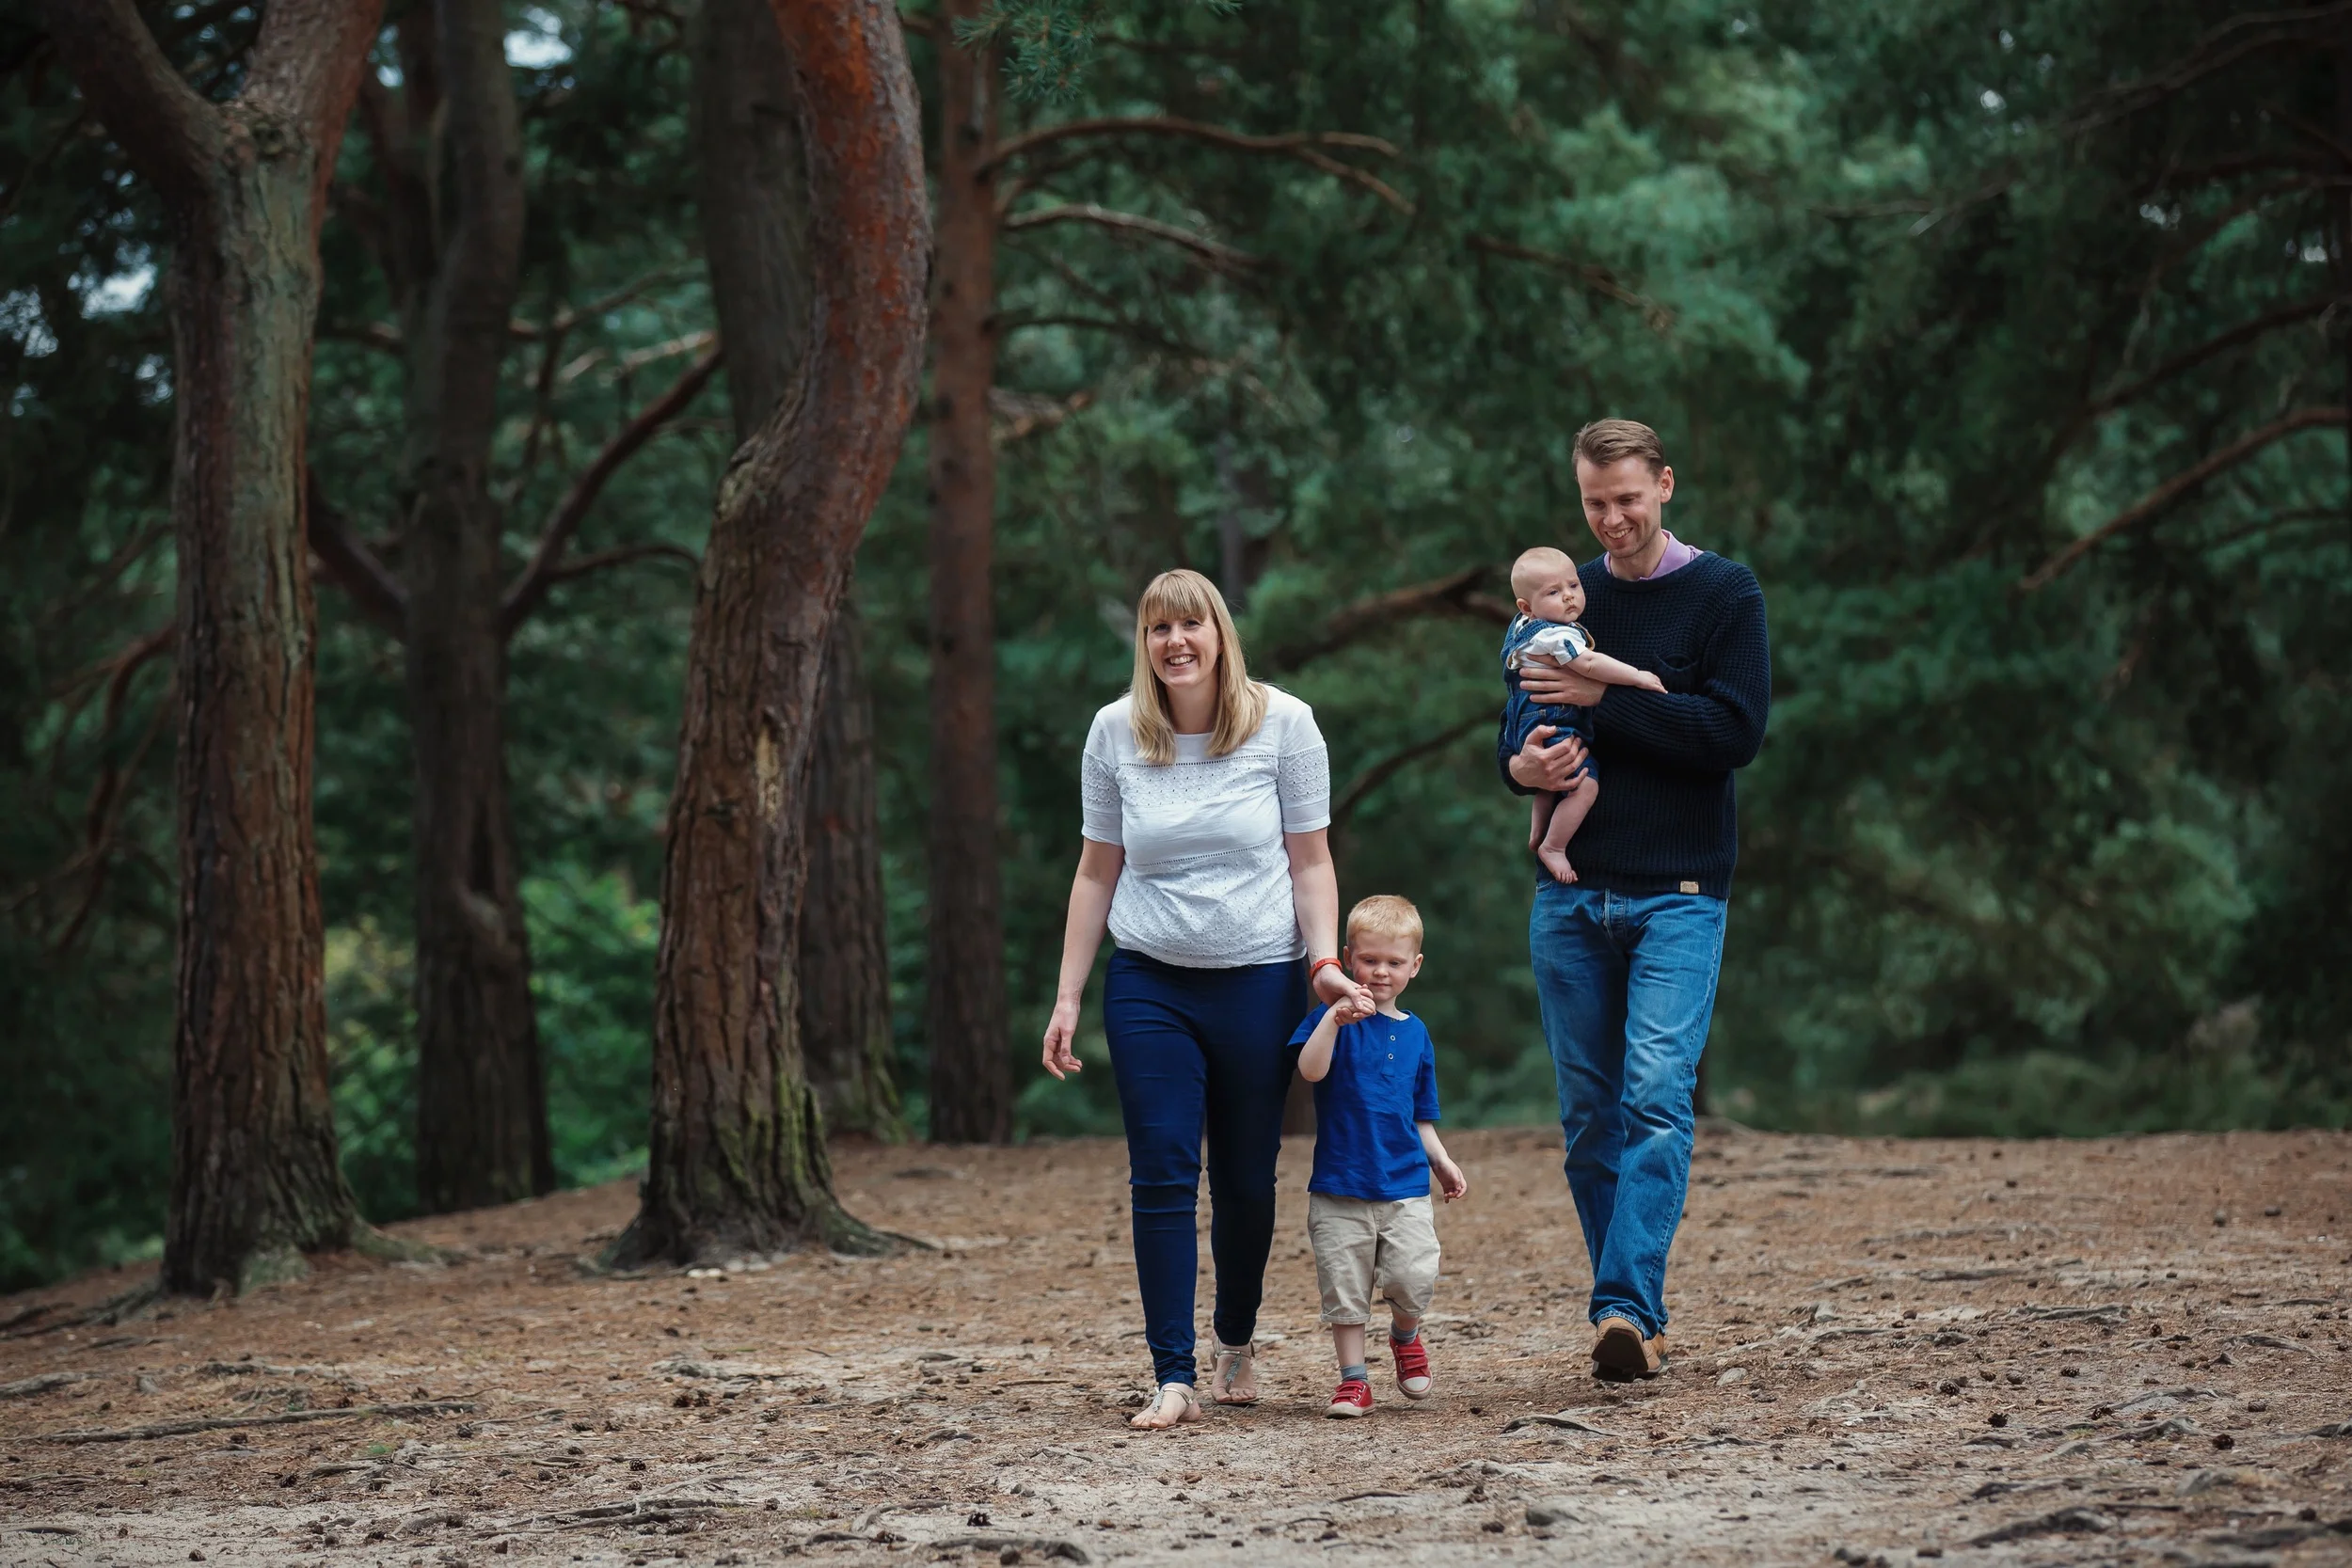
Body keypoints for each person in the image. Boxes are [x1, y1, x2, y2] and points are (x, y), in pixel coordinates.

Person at [1041, 567, 1373, 1430]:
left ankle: (1235, 1335)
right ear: (1144, 643)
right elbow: (1095, 871)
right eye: (1158, 628)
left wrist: (1323, 962)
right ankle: (1172, 1373)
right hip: (1150, 981)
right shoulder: (1116, 731)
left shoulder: (1285, 723)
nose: (1175, 642)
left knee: (1246, 1180)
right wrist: (1068, 995)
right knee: (1160, 1169)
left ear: (1221, 634)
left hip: (1260, 980)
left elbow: (1311, 861)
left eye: (1191, 625)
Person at [1497, 419, 1771, 1382]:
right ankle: (1626, 1303)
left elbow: (1732, 733)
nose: (1610, 519)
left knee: (1655, 1095)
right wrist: (1522, 766)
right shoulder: (1563, 596)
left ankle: (1625, 1306)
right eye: (1593, 502)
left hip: (1680, 891)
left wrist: (1605, 701)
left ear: (1664, 485)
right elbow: (1516, 721)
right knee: (1588, 1117)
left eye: (1626, 498)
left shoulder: (1724, 593)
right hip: (1571, 895)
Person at [1291, 895, 1468, 1418]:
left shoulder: (1416, 1034)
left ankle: (1405, 1335)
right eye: (1369, 960)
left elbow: (1421, 1114)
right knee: (1344, 1289)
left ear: (1415, 966)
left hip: (1404, 1186)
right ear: (1348, 959)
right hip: (1339, 1185)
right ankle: (1354, 1381)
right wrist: (1334, 1018)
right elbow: (1310, 1071)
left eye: (1394, 962)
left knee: (1414, 1277)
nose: (1381, 972)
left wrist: (1441, 1161)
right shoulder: (1330, 1020)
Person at [1502, 546, 1668, 885]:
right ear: (1526, 606)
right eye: (1553, 592)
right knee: (1584, 786)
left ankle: (1539, 830)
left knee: (1549, 779)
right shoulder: (1555, 634)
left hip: (1524, 723)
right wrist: (1636, 676)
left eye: (1574, 585)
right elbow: (1589, 664)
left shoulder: (1520, 628)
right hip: (1553, 719)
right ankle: (1553, 845)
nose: (1568, 597)